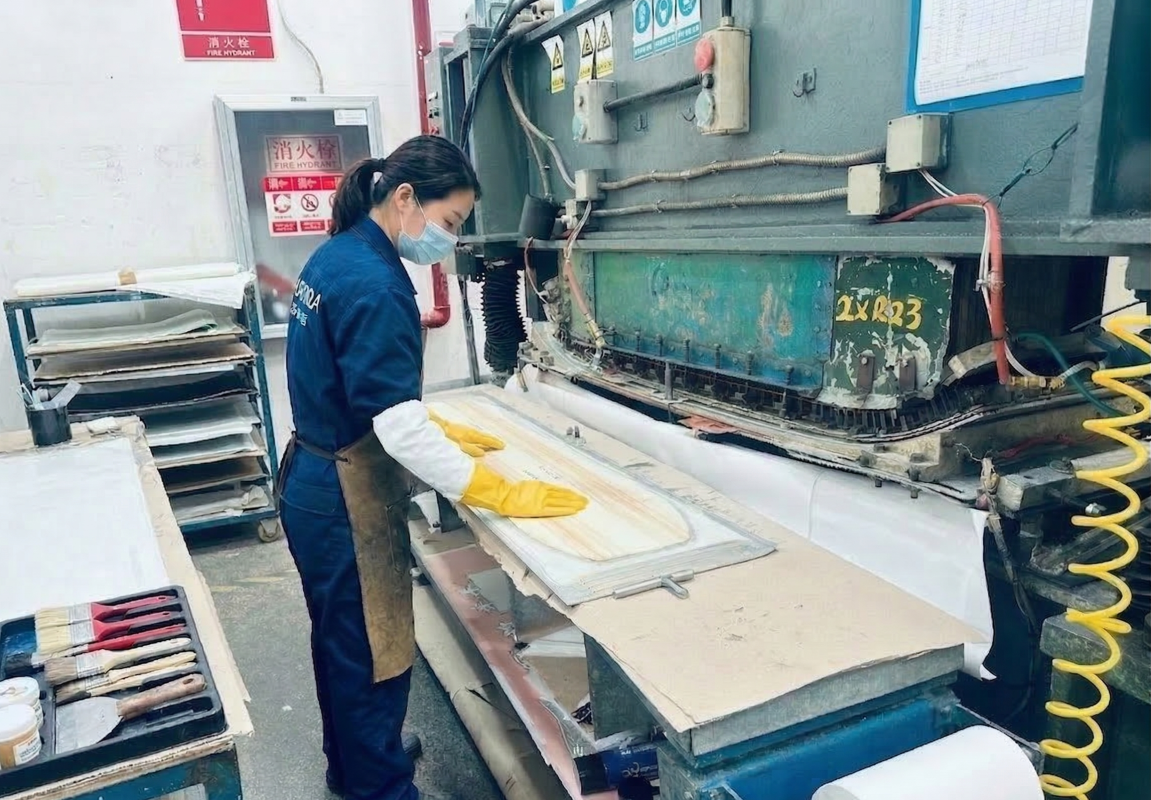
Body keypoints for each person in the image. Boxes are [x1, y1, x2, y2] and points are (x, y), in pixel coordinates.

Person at [277, 134, 587, 800]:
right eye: (447, 224)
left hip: (312, 472)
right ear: (406, 197)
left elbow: (348, 382)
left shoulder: (339, 255)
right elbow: (396, 430)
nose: (445, 241)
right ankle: (382, 787)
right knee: (371, 652)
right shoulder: (376, 283)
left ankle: (358, 763)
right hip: (341, 496)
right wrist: (493, 488)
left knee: (341, 643)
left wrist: (433, 422)